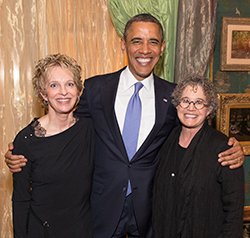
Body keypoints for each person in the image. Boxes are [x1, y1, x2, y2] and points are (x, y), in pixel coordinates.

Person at [5, 14, 244, 238]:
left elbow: (192, 129)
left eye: (153, 42)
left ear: (162, 48)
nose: (144, 49)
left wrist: (229, 146)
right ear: (124, 44)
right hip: (100, 209)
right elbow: (64, 122)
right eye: (136, 41)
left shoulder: (173, 96)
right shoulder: (96, 89)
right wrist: (25, 146)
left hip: (150, 211)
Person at [11, 54, 94, 238]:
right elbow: (21, 200)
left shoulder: (89, 129)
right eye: (54, 85)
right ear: (43, 93)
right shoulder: (26, 140)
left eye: (70, 84)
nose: (63, 92)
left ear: (78, 90)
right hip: (43, 232)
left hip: (82, 231)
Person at [153, 75, 244, 238]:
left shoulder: (225, 149)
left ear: (209, 109)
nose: (191, 107)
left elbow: (234, 212)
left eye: (199, 102)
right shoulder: (165, 140)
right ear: (177, 104)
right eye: (186, 100)